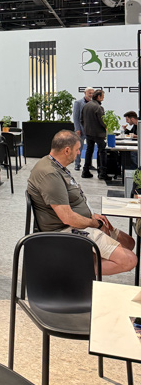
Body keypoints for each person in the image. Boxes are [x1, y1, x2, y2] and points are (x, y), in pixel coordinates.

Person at [27, 130, 136, 276]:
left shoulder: (56, 166)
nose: (79, 153)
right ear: (67, 150)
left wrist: (92, 215)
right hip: (65, 230)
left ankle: (83, 261)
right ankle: (76, 270)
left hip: (80, 223)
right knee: (129, 260)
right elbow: (67, 218)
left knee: (129, 242)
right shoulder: (50, 173)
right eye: (77, 149)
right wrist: (95, 224)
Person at [81, 89, 109, 181]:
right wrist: (107, 127)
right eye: (103, 96)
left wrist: (86, 128)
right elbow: (102, 121)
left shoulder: (86, 106)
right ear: (99, 97)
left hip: (88, 133)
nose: (103, 98)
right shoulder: (98, 107)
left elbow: (81, 119)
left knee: (89, 151)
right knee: (102, 151)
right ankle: (102, 173)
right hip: (98, 133)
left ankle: (85, 171)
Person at [72, 86, 95, 171]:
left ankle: (89, 164)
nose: (91, 94)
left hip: (91, 130)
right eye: (89, 93)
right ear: (85, 93)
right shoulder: (78, 103)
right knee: (79, 147)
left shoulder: (94, 103)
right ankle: (77, 164)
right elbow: (75, 117)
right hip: (81, 130)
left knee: (90, 148)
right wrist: (77, 129)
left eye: (92, 93)